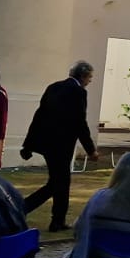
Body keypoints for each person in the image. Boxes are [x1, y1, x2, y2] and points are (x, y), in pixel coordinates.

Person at [20, 59, 97, 232]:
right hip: (62, 145)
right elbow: (80, 123)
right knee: (58, 183)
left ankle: (57, 220)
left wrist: (28, 144)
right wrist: (90, 149)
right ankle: (24, 208)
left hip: (46, 142)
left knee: (59, 182)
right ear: (84, 76)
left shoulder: (53, 87)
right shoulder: (78, 92)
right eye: (90, 77)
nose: (90, 81)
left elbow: (39, 116)